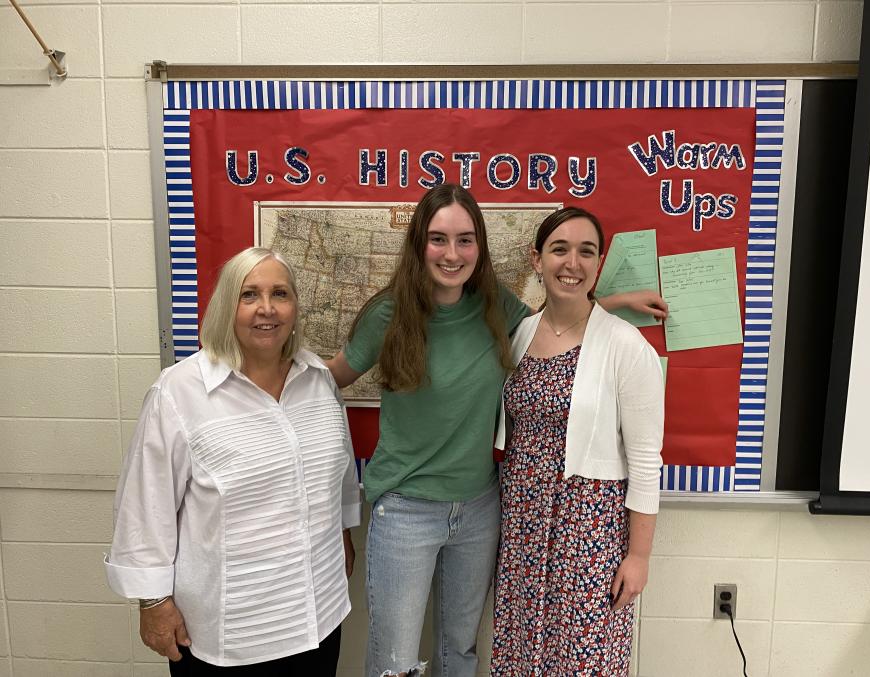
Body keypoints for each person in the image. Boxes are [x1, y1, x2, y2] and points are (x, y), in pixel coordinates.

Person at [327, 185, 666, 677]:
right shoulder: (389, 314)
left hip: (482, 509)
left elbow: (565, 320)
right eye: (438, 239)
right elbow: (325, 383)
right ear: (418, 242)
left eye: (465, 240)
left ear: (479, 248)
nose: (452, 253)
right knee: (395, 662)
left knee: (459, 651)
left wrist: (613, 302)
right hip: (406, 509)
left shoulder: (495, 308)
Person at [104, 247, 360, 675]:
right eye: (249, 295)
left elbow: (337, 470)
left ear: (295, 306)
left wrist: (344, 533)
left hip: (320, 613)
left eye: (279, 293)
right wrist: (153, 602)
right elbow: (145, 507)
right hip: (231, 635)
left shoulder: (317, 381)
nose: (266, 309)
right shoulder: (179, 392)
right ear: (227, 306)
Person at [491, 207, 665, 676]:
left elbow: (648, 458)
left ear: (599, 261)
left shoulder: (627, 347)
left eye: (586, 251)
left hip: (588, 532)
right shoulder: (522, 333)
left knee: (582, 659)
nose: (572, 263)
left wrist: (639, 556)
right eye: (559, 249)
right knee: (521, 655)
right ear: (536, 260)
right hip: (523, 526)